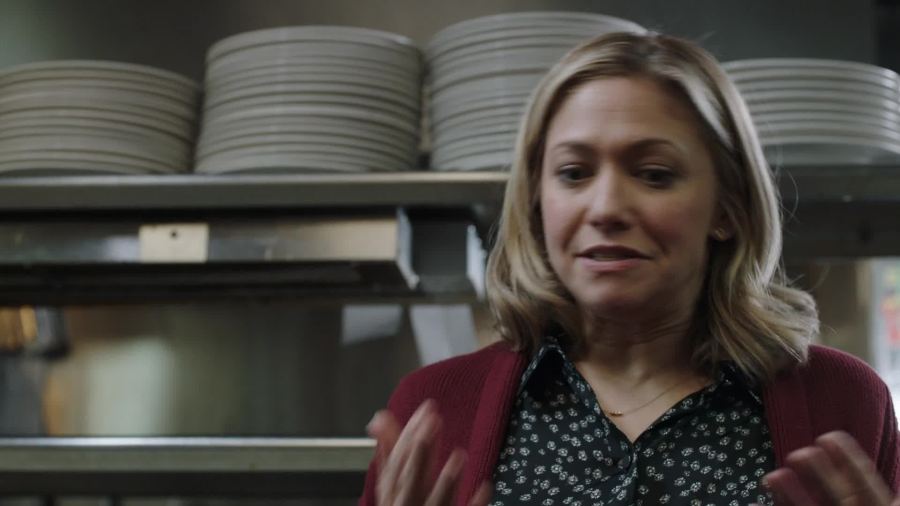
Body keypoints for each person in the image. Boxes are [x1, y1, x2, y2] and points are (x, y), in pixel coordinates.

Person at [360, 31, 900, 505]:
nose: (606, 209)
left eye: (654, 174)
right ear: (537, 201)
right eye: (574, 173)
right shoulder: (436, 405)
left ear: (726, 208)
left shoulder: (844, 400)